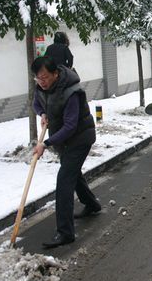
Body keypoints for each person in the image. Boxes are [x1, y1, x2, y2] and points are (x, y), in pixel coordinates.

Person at [31, 56, 100, 248]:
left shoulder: (72, 92)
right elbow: (37, 103)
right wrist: (42, 113)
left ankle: (65, 232)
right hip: (63, 141)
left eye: (45, 77)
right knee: (73, 174)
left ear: (55, 73)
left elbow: (70, 126)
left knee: (64, 181)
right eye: (38, 79)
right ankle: (92, 205)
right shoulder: (42, 88)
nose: (42, 82)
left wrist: (45, 143)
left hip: (80, 138)